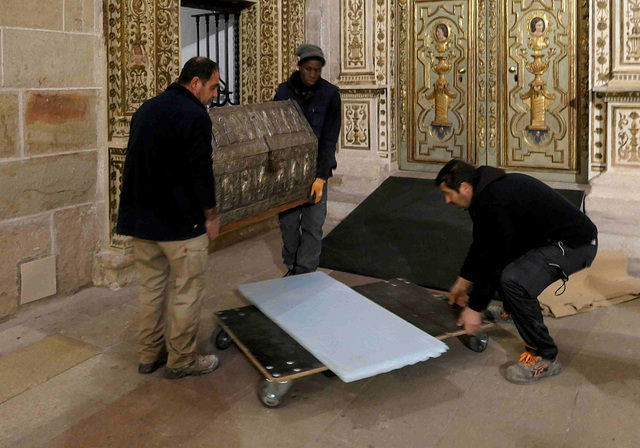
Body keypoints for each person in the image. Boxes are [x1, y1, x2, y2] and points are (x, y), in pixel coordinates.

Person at [436, 159, 597, 384]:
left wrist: (475, 308)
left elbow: (494, 259)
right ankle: (513, 311)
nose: (446, 200)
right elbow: (483, 244)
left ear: (464, 187)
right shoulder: (484, 193)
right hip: (546, 240)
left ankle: (544, 356)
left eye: (447, 193)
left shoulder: (495, 201)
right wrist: (463, 282)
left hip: (574, 246)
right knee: (506, 259)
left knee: (514, 280)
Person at [116, 57, 221, 379]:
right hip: (180, 224)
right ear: (195, 83)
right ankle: (182, 359)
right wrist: (211, 215)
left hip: (141, 221)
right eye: (213, 87)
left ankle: (149, 354)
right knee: (187, 290)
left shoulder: (145, 109)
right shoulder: (195, 116)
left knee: (150, 290)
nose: (215, 94)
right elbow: (201, 172)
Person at [273, 44, 341, 276]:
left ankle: (305, 271)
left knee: (313, 225)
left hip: (315, 171)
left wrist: (321, 176)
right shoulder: (283, 92)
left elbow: (330, 139)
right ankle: (292, 267)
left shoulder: (330, 94)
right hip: (289, 173)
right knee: (289, 225)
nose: (313, 74)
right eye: (309, 69)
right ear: (299, 66)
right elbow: (275, 132)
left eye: (317, 70)